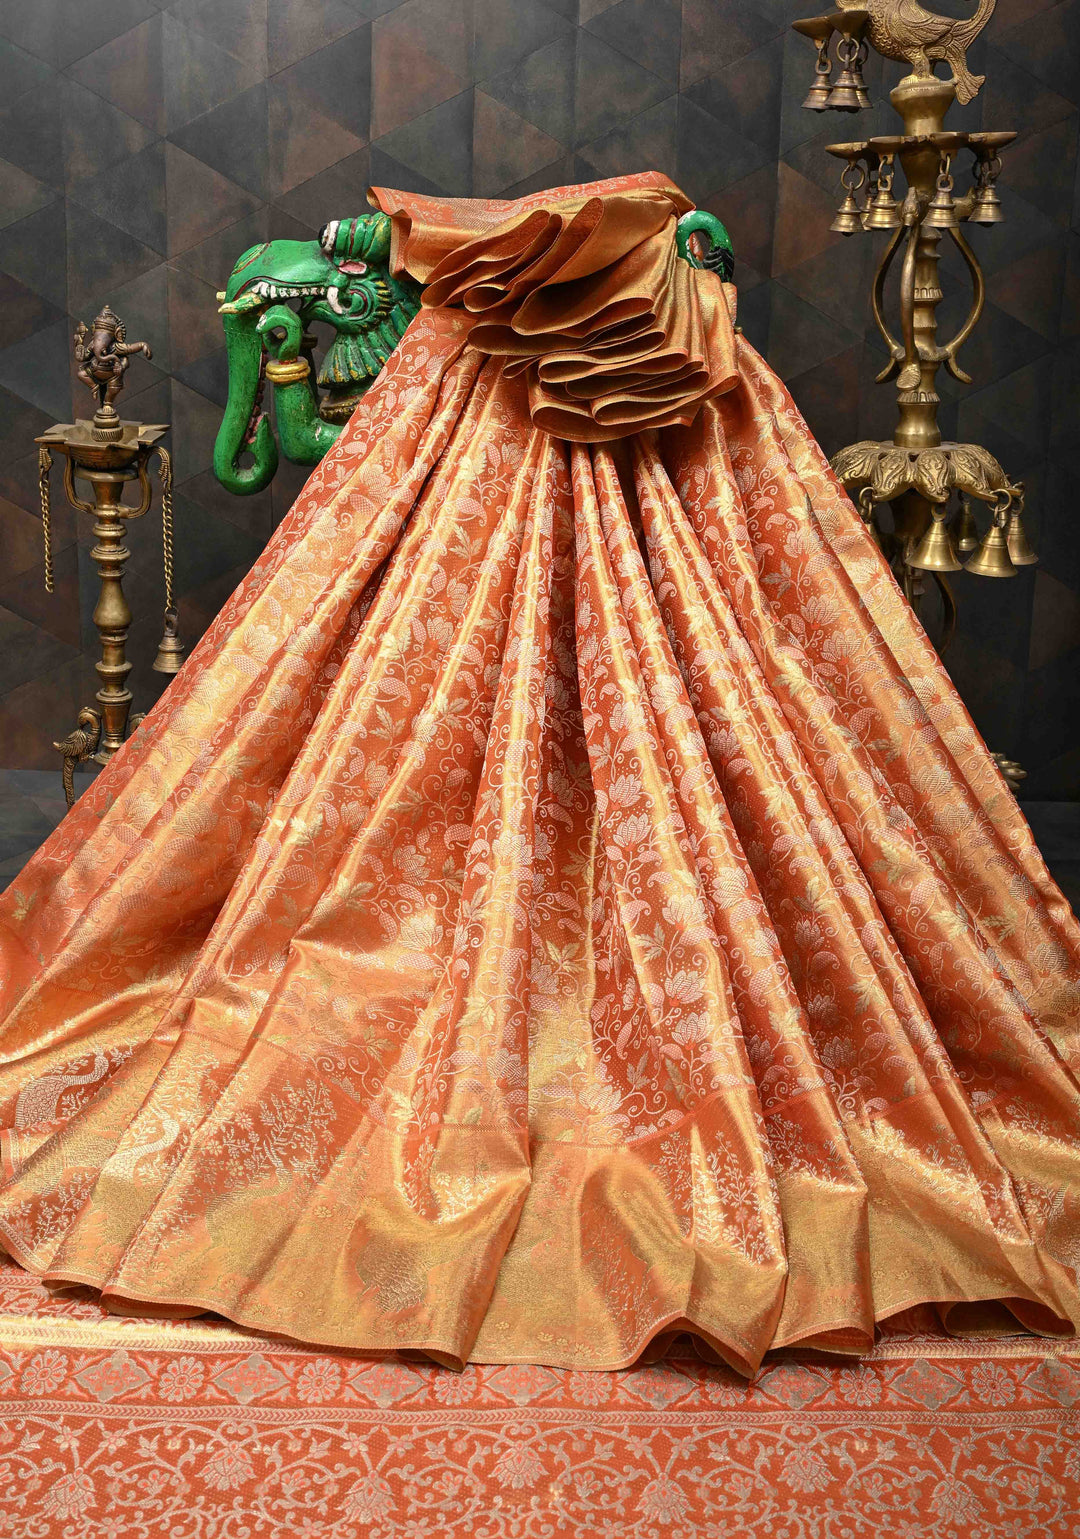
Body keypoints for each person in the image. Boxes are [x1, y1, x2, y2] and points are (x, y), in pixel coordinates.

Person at [0, 174, 1077, 1376]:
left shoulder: (586, 340)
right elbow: (281, 447)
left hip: (563, 439)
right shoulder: (493, 343)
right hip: (488, 441)